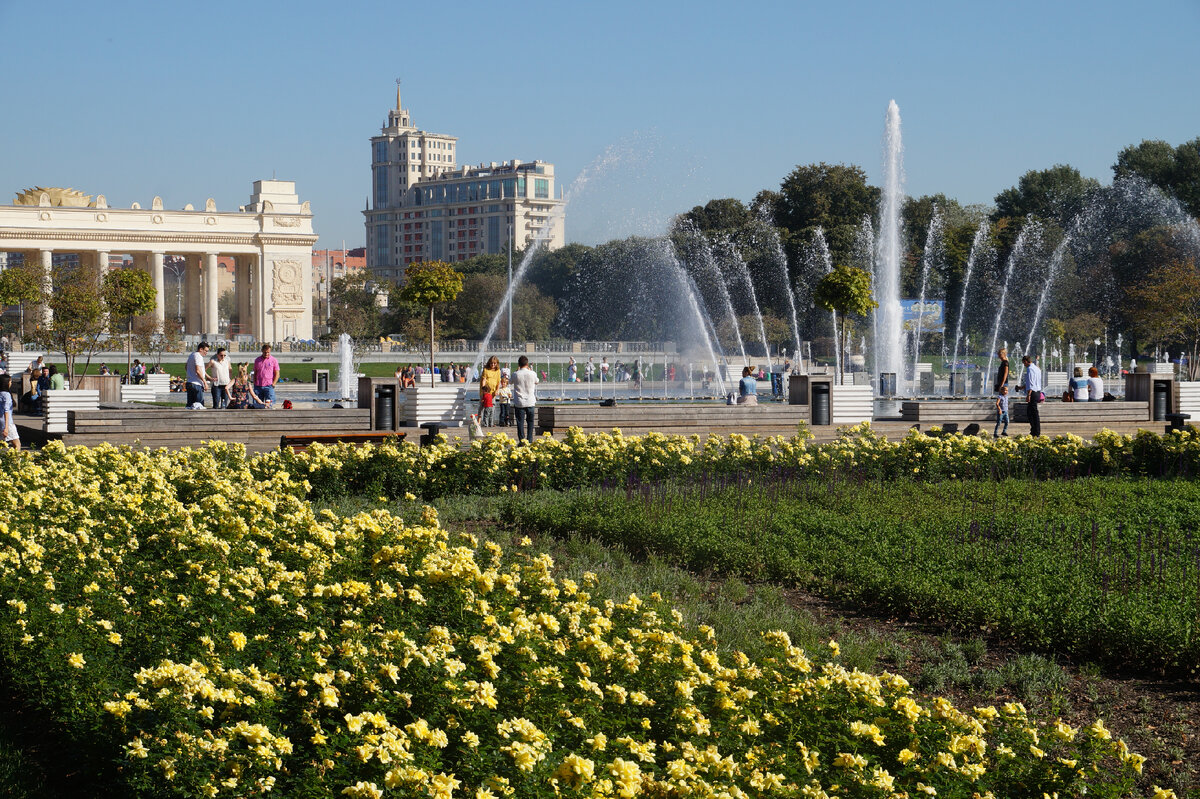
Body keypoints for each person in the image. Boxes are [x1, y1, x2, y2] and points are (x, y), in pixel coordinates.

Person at [511, 355, 539, 444]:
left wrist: (517, 371)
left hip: (519, 402)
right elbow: (537, 381)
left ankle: (522, 441)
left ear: (519, 364)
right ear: (527, 364)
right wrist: (530, 371)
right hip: (530, 401)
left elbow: (510, 381)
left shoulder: (516, 374)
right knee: (530, 422)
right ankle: (530, 440)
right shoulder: (532, 373)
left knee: (520, 423)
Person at [1020, 354, 1042, 436]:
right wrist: (1021, 388)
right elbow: (1032, 383)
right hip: (1037, 392)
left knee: (1032, 413)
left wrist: (1028, 395)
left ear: (1026, 361)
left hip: (1032, 393)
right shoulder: (1037, 368)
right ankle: (1034, 430)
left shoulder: (1030, 369)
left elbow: (1031, 384)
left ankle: (1036, 431)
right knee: (1032, 412)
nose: (1024, 365)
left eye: (1024, 363)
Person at [186, 341, 210, 409]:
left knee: (190, 406)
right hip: (197, 384)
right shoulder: (198, 356)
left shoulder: (192, 355)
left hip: (189, 382)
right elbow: (198, 371)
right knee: (199, 406)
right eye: (205, 351)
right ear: (200, 349)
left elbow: (186, 367)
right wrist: (205, 382)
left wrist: (191, 373)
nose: (206, 353)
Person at [0, 374, 19, 450]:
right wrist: (6, 427)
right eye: (10, 381)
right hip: (7, 423)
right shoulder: (6, 395)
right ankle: (15, 461)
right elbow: (6, 411)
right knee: (17, 444)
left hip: (1, 422)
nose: (11, 383)